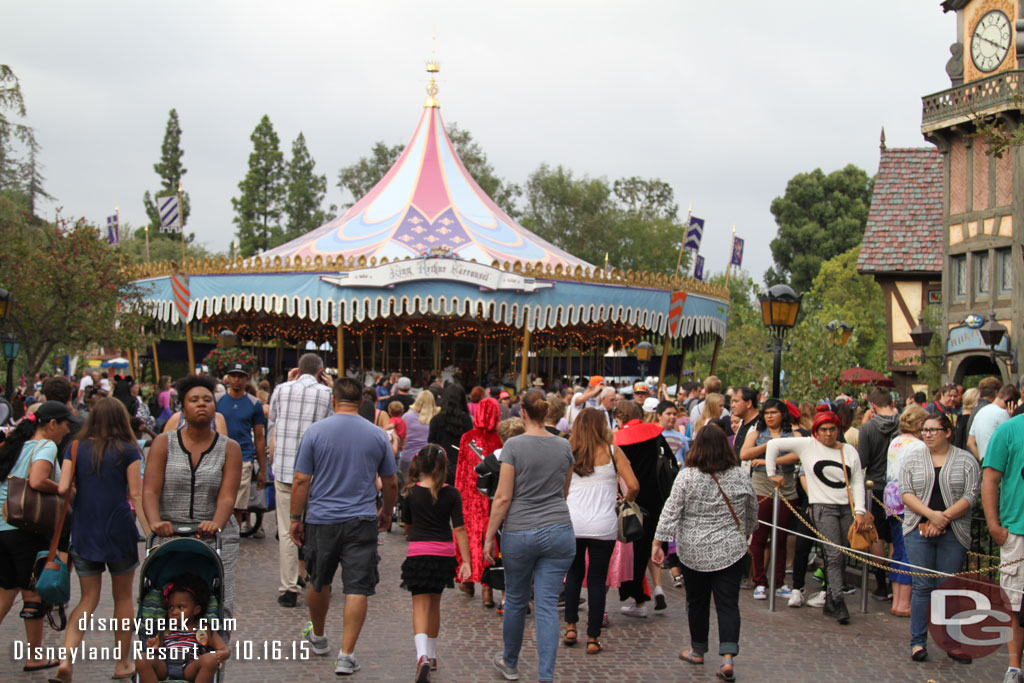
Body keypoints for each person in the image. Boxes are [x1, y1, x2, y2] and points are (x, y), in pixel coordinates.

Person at [290, 377, 398, 676]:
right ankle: (347, 654)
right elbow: (390, 481)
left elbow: (301, 480)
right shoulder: (377, 435)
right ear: (362, 402)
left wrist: (294, 518)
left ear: (333, 400)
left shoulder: (315, 432)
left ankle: (320, 636)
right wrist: (386, 511)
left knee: (318, 579)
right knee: (357, 586)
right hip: (361, 519)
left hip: (322, 518)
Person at [53, 398, 150, 682]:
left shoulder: (75, 447)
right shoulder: (129, 450)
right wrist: (149, 531)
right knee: (122, 598)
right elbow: (135, 494)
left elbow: (62, 488)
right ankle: (121, 663)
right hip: (118, 530)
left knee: (87, 599)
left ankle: (67, 659)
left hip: (85, 530)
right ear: (122, 420)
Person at [484, 389, 576, 683]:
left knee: (516, 599)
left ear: (522, 412)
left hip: (520, 530)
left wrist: (488, 536)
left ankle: (510, 662)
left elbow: (502, 497)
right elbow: (564, 491)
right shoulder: (563, 447)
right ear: (546, 412)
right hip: (558, 528)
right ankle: (545, 676)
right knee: (548, 605)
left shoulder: (514, 446)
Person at [653, 424, 756, 683]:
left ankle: (698, 649)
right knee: (728, 604)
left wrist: (658, 542)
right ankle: (728, 657)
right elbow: (752, 508)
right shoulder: (740, 475)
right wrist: (747, 532)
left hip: (693, 549)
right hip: (731, 547)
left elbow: (671, 509)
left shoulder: (687, 476)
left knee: (697, 601)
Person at [143, 375, 242, 617]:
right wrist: (155, 522)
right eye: (194, 400)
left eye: (207, 400)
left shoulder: (229, 448)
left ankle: (217, 651)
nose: (201, 404)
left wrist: (216, 524)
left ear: (214, 409)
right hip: (169, 532)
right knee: (160, 599)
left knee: (219, 602)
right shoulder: (162, 443)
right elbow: (150, 489)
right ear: (183, 409)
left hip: (215, 536)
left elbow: (227, 496)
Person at [765, 406, 869, 624]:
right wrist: (771, 474)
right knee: (834, 554)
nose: (828, 434)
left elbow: (857, 480)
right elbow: (773, 445)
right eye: (823, 429)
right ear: (816, 430)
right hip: (822, 507)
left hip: (845, 508)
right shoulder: (808, 445)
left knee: (842, 552)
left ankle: (832, 597)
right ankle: (838, 601)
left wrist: (860, 511)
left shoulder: (848, 451)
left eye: (832, 429)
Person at [900, 414, 980, 663]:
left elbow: (971, 495)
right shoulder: (911, 458)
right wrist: (930, 515)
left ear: (947, 431)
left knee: (949, 587)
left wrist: (942, 518)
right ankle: (917, 642)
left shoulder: (966, 460)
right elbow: (906, 492)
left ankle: (951, 642)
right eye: (924, 430)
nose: (927, 434)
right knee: (922, 587)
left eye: (933, 430)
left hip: (953, 531)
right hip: (918, 529)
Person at [0, 401, 71, 673]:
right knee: (33, 593)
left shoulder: (16, 444)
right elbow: (38, 481)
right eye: (65, 425)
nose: (66, 431)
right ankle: (35, 656)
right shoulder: (46, 446)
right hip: (25, 529)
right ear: (52, 424)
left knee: (6, 591)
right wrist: (64, 489)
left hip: (3, 527)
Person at [562, 408, 639, 655]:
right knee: (597, 579)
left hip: (573, 523)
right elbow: (634, 485)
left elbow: (561, 491)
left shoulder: (569, 452)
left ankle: (571, 626)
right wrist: (624, 501)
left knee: (573, 576)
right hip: (603, 525)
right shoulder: (614, 452)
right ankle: (593, 637)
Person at [400, 444, 472, 682]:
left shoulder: (410, 492)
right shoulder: (452, 493)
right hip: (443, 555)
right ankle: (432, 653)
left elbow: (407, 526)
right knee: (435, 604)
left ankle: (422, 656)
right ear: (443, 466)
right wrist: (466, 562)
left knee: (419, 606)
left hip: (418, 553)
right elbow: (459, 529)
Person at [268, 354, 333, 608]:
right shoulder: (326, 394)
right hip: (317, 472)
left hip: (285, 469)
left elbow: (273, 423)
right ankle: (316, 576)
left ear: (298, 369)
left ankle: (289, 586)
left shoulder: (281, 390)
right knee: (315, 527)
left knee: (287, 529)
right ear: (320, 371)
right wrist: (330, 387)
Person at [614, 399, 677, 616]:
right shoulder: (654, 433)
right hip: (656, 496)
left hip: (632, 498)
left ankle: (638, 598)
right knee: (651, 544)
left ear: (620, 417)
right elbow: (671, 460)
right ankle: (653, 590)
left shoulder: (619, 440)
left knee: (632, 550)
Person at [739, 397, 797, 600]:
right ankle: (759, 580)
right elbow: (744, 454)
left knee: (781, 535)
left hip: (786, 484)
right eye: (767, 413)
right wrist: (767, 447)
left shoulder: (793, 434)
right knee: (760, 534)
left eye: (774, 412)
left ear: (782, 414)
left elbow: (797, 455)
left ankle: (779, 581)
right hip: (762, 483)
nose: (770, 416)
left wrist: (769, 458)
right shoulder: (756, 433)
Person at [982, 411, 1024, 682]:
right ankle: (1014, 667)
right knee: (1016, 605)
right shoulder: (1008, 430)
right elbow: (990, 479)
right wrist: (995, 526)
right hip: (1018, 531)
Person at [134, 573, 230, 683]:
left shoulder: (203, 628)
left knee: (210, 660)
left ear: (196, 610)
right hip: (166, 666)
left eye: (180, 607)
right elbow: (155, 650)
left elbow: (224, 649)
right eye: (171, 607)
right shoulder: (165, 629)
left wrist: (220, 655)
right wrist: (152, 647)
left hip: (191, 667)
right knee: (142, 659)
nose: (174, 612)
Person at [881, 404, 929, 619]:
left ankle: (897, 597)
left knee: (898, 547)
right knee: (909, 549)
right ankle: (903, 602)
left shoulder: (896, 441)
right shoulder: (919, 446)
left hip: (891, 496)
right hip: (907, 498)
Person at [453, 396, 502, 606]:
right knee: (490, 541)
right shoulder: (501, 439)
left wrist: (458, 497)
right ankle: (487, 590)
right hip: (492, 498)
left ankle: (468, 579)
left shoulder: (467, 438)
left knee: (471, 541)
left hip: (471, 498)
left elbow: (461, 471)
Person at [216, 363, 267, 536]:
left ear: (246, 378)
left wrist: (262, 469)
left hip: (243, 458)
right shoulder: (217, 400)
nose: (236, 380)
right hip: (217, 456)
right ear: (228, 378)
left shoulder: (254, 404)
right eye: (233, 375)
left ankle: (233, 538)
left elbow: (259, 437)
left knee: (237, 505)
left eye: (240, 376)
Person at [428, 384, 473, 485]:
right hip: (461, 466)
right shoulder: (466, 420)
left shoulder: (436, 420)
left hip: (440, 466)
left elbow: (431, 443)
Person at [969, 384, 1020, 461]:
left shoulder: (981, 411)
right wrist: (1012, 417)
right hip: (999, 463)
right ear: (1009, 401)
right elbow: (1013, 440)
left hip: (985, 464)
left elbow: (970, 442)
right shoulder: (1003, 414)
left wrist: (983, 461)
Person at [401, 390, 438, 478]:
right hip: (426, 461)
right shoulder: (435, 420)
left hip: (406, 458)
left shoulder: (407, 416)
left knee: (405, 487)